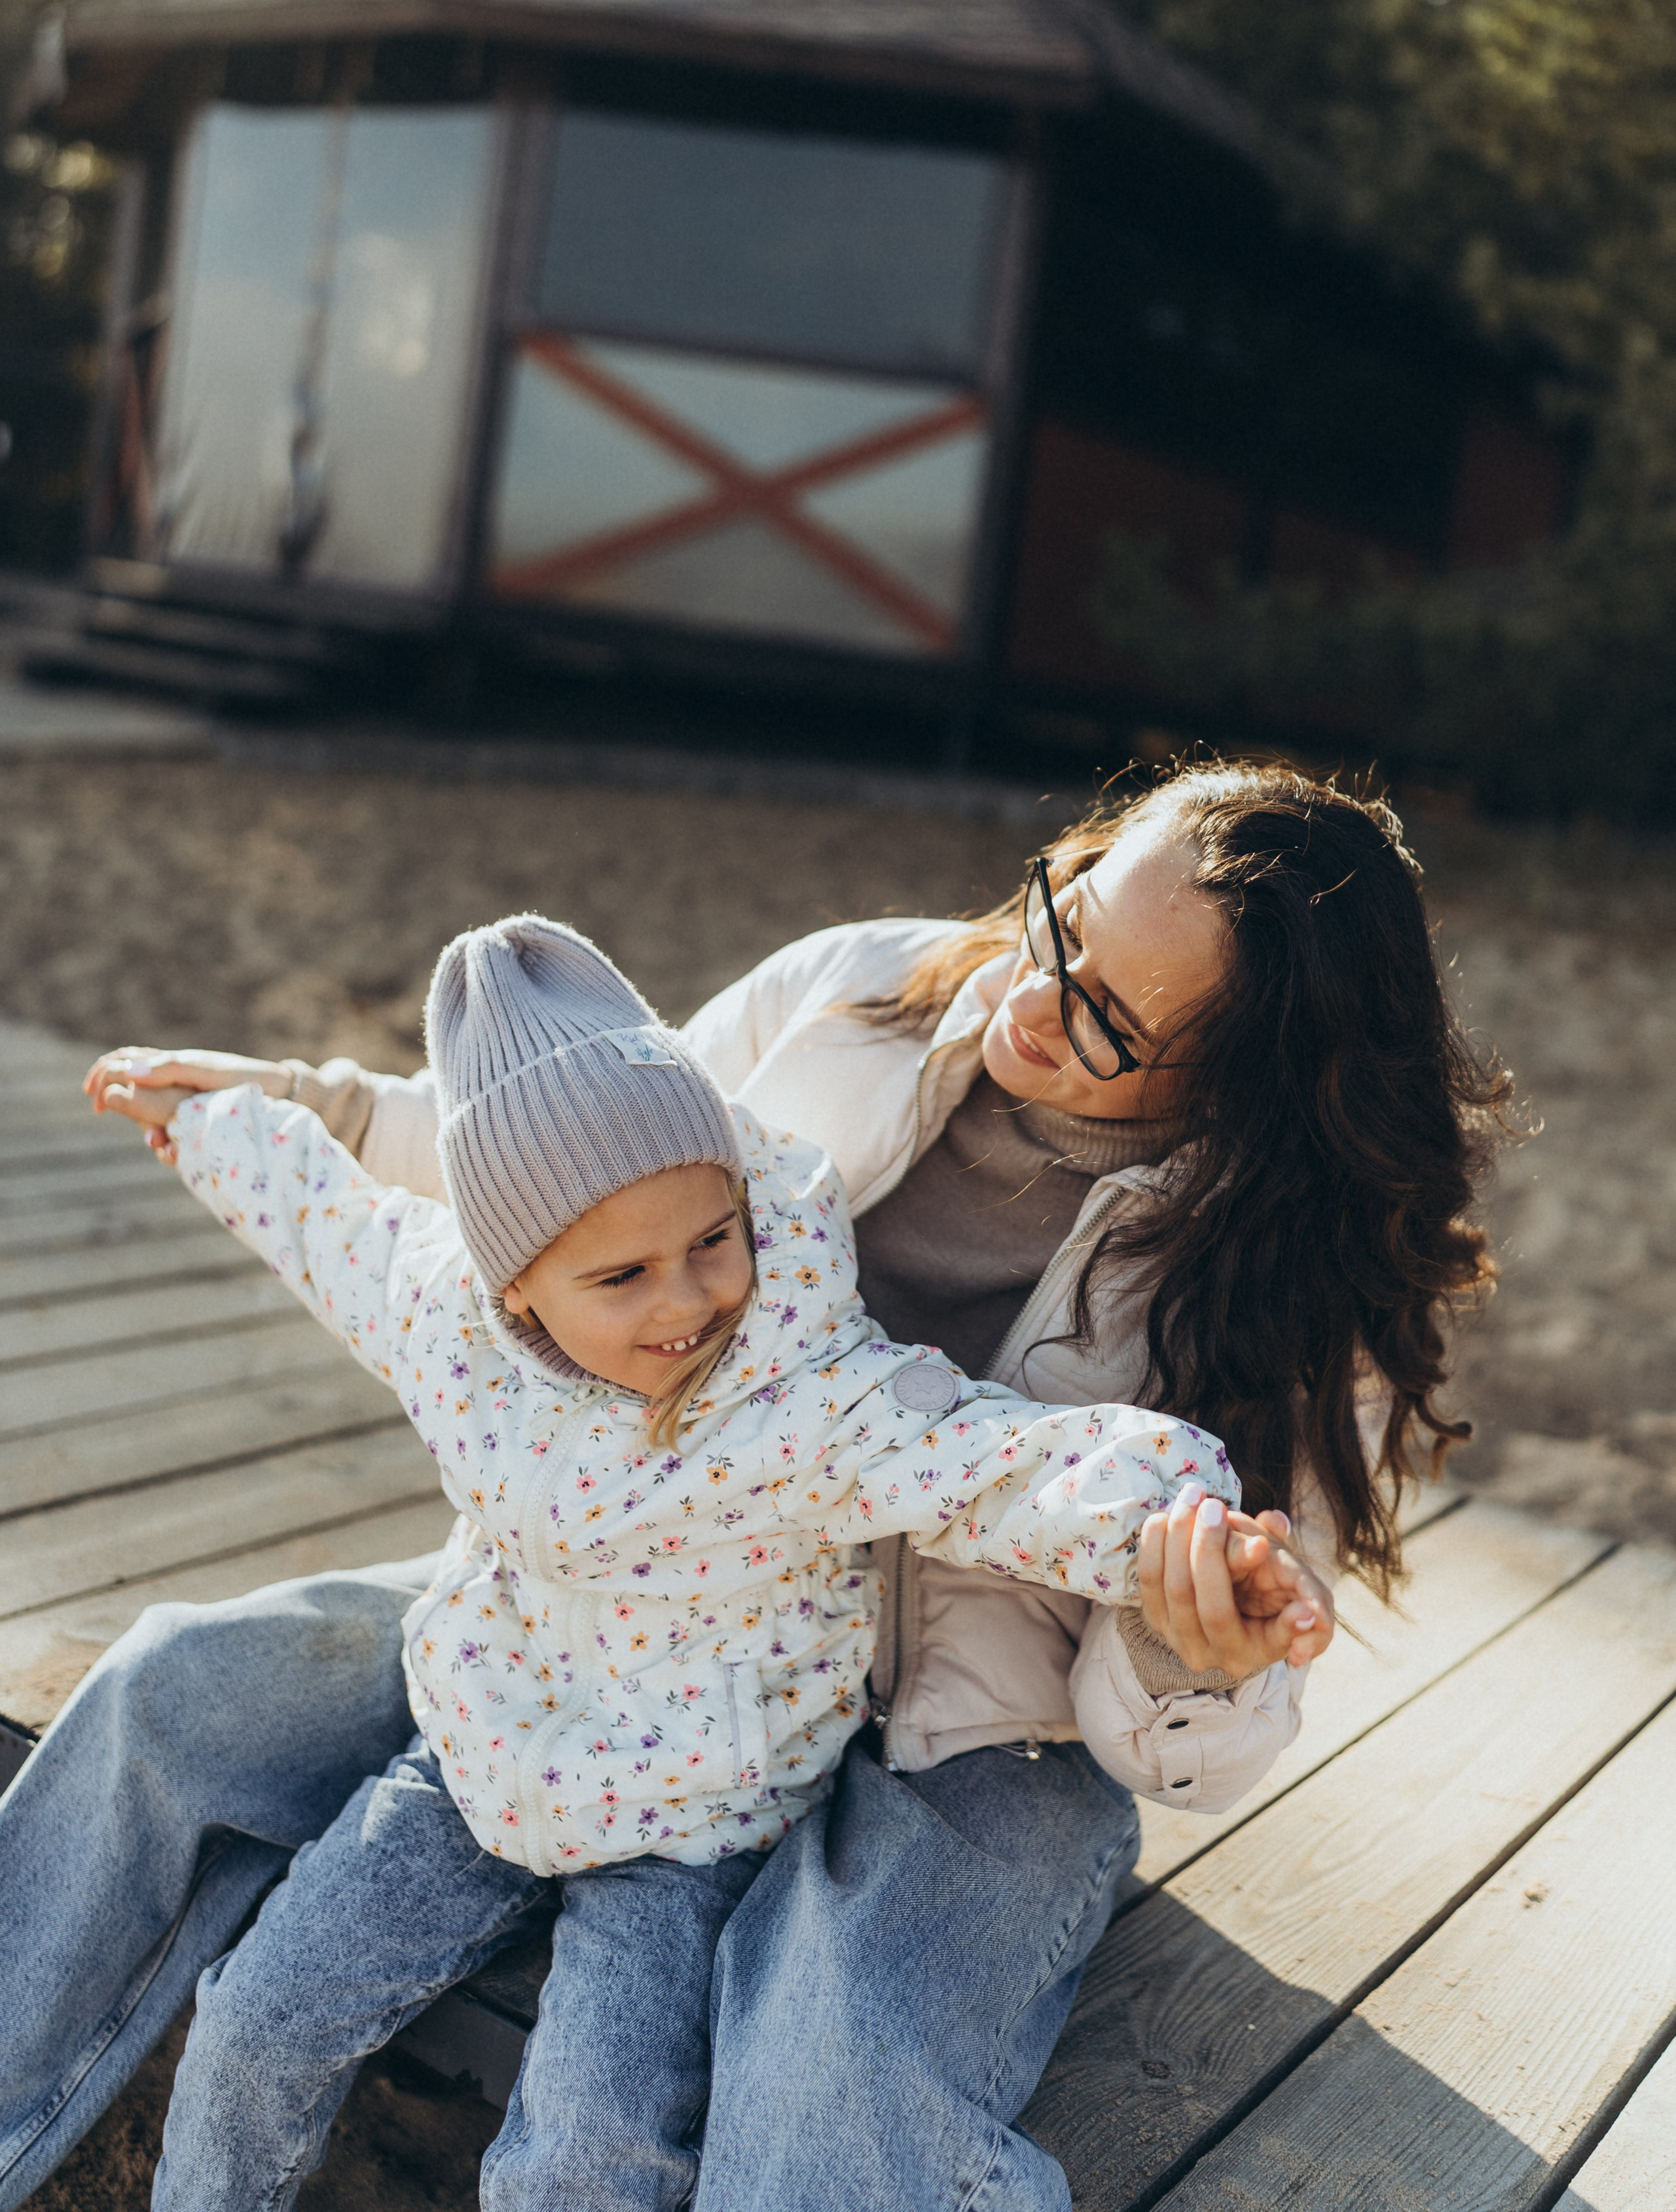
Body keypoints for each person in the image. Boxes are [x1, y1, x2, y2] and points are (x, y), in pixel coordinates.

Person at [0, 759, 1496, 2211]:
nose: (1028, 997)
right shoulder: (859, 991)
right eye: (1061, 917)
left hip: (974, 1734)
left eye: (1106, 1014)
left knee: (828, 2093)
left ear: (1246, 1084)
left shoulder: (1296, 1291)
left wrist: (1195, 1652)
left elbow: (1184, 1720)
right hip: (648, 1609)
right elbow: (589, 1156)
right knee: (170, 1687)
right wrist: (316, 1110)